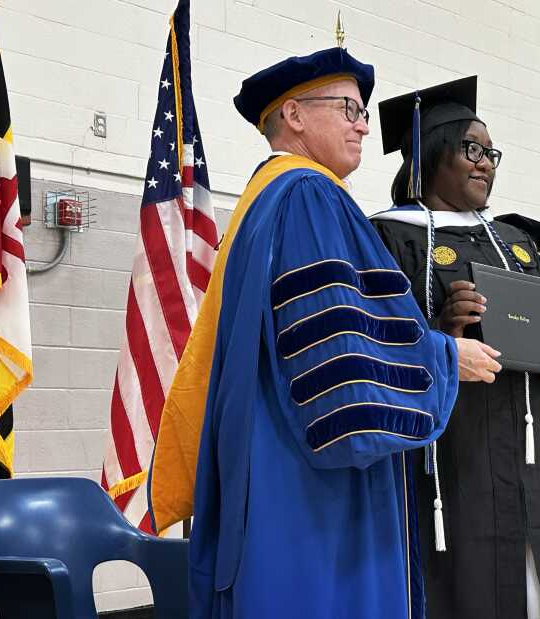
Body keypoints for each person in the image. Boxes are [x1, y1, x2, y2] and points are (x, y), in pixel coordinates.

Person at [179, 49, 502, 619]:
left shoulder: (265, 198)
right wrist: (446, 355)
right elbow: (342, 347)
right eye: (350, 108)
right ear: (295, 115)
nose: (364, 123)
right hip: (309, 489)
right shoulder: (308, 195)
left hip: (272, 461)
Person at [370, 77, 540, 619]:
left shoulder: (514, 242)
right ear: (430, 154)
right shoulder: (390, 237)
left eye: (491, 152)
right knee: (466, 585)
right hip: (453, 455)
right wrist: (443, 330)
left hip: (531, 449)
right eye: (472, 149)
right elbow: (379, 339)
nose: (485, 162)